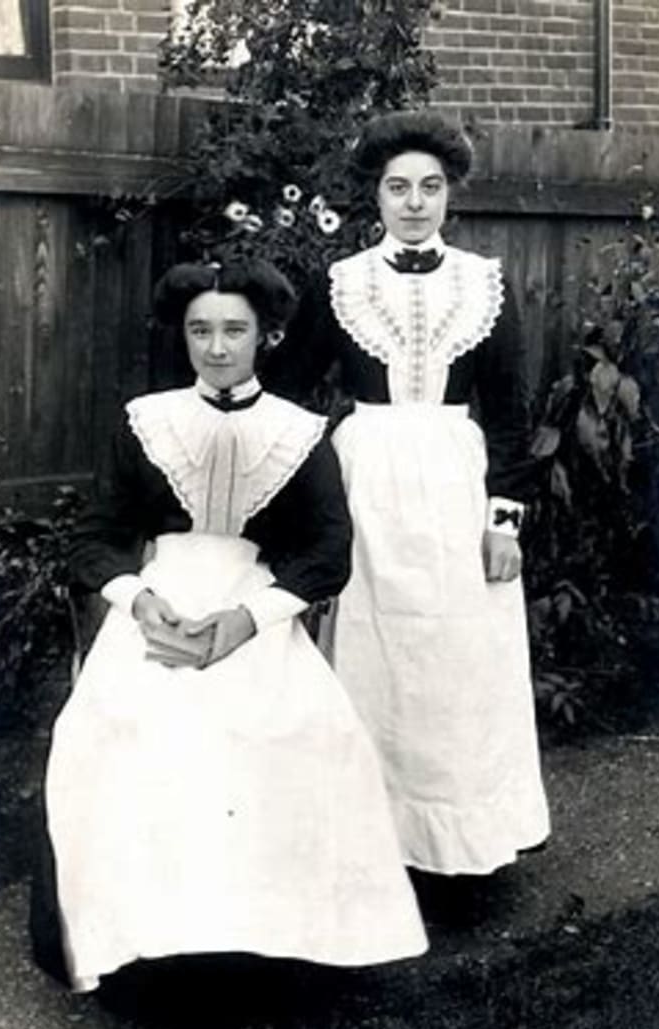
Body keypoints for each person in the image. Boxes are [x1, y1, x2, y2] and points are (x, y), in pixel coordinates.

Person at [39, 258, 427, 994]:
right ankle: (147, 949)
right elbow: (95, 537)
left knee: (291, 734)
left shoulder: (299, 432)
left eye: (234, 331)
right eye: (200, 331)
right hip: (160, 603)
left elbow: (327, 552)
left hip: (254, 608)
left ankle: (257, 957)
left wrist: (252, 619)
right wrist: (137, 599)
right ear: (183, 336)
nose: (217, 348)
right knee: (118, 730)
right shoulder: (146, 421)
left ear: (266, 336)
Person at [264, 110, 550, 878]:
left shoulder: (484, 285)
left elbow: (512, 413)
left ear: (449, 194)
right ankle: (373, 842)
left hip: (456, 482)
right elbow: (288, 393)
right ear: (377, 196)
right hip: (366, 481)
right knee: (372, 647)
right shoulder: (343, 284)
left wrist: (503, 522)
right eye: (399, 188)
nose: (415, 202)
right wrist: (296, 500)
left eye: (430, 187)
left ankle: (462, 840)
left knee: (458, 654)